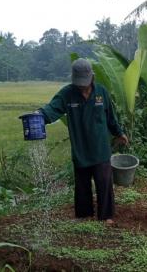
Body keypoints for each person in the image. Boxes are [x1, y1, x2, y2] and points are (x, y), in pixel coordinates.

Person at [37, 58, 128, 225]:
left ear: (92, 77)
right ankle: (84, 215)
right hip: (80, 148)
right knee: (82, 185)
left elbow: (110, 118)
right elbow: (52, 109)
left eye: (85, 82)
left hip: (100, 148)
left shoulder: (102, 92)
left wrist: (119, 133)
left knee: (104, 182)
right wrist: (38, 116)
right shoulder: (67, 94)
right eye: (79, 83)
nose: (82, 86)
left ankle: (106, 215)